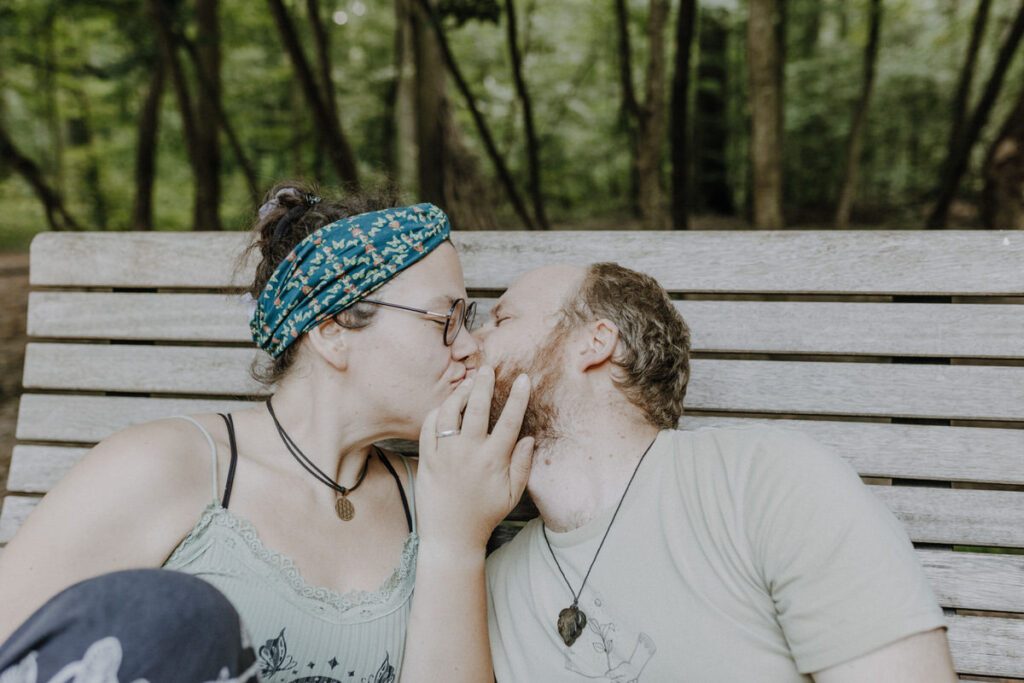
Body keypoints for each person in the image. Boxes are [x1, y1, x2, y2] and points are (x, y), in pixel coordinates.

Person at [0, 183, 534, 683]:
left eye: (469, 318)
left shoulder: (445, 496)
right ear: (331, 332)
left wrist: (456, 544)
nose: (469, 346)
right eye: (444, 319)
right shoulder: (163, 468)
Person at [478, 262, 958, 682]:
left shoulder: (763, 483)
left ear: (596, 342)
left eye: (501, 318)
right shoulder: (490, 584)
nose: (467, 343)